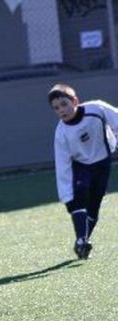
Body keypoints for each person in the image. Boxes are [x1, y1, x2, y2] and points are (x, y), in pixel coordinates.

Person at [48, 83, 118, 260]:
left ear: (75, 101)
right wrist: (66, 195)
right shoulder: (61, 133)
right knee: (79, 198)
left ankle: (82, 242)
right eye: (56, 108)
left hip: (102, 164)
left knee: (94, 206)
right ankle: (81, 239)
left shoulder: (97, 109)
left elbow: (116, 120)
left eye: (64, 104)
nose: (61, 110)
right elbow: (62, 165)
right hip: (80, 166)